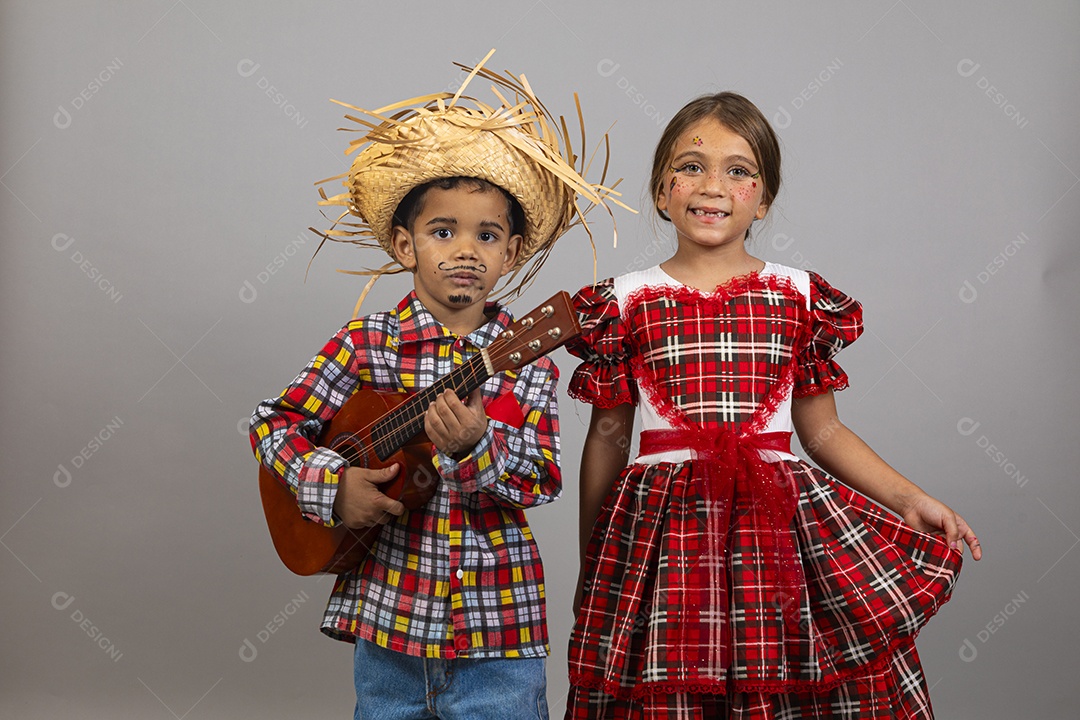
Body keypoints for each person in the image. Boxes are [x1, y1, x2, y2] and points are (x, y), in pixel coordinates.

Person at [564, 92, 981, 719]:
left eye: (739, 170)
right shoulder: (621, 303)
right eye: (691, 166)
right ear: (660, 190)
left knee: (787, 678)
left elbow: (824, 433)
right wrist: (594, 564)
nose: (713, 186)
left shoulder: (796, 295)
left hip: (776, 534)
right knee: (669, 685)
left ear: (763, 200)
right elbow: (605, 442)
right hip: (664, 543)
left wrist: (909, 498)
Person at [250, 52, 622, 720]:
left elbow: (541, 481)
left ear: (510, 255)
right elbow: (270, 426)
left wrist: (478, 448)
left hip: (499, 631)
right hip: (388, 624)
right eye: (442, 231)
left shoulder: (527, 360)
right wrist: (331, 487)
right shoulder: (367, 343)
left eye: (487, 235)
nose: (465, 250)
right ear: (404, 244)